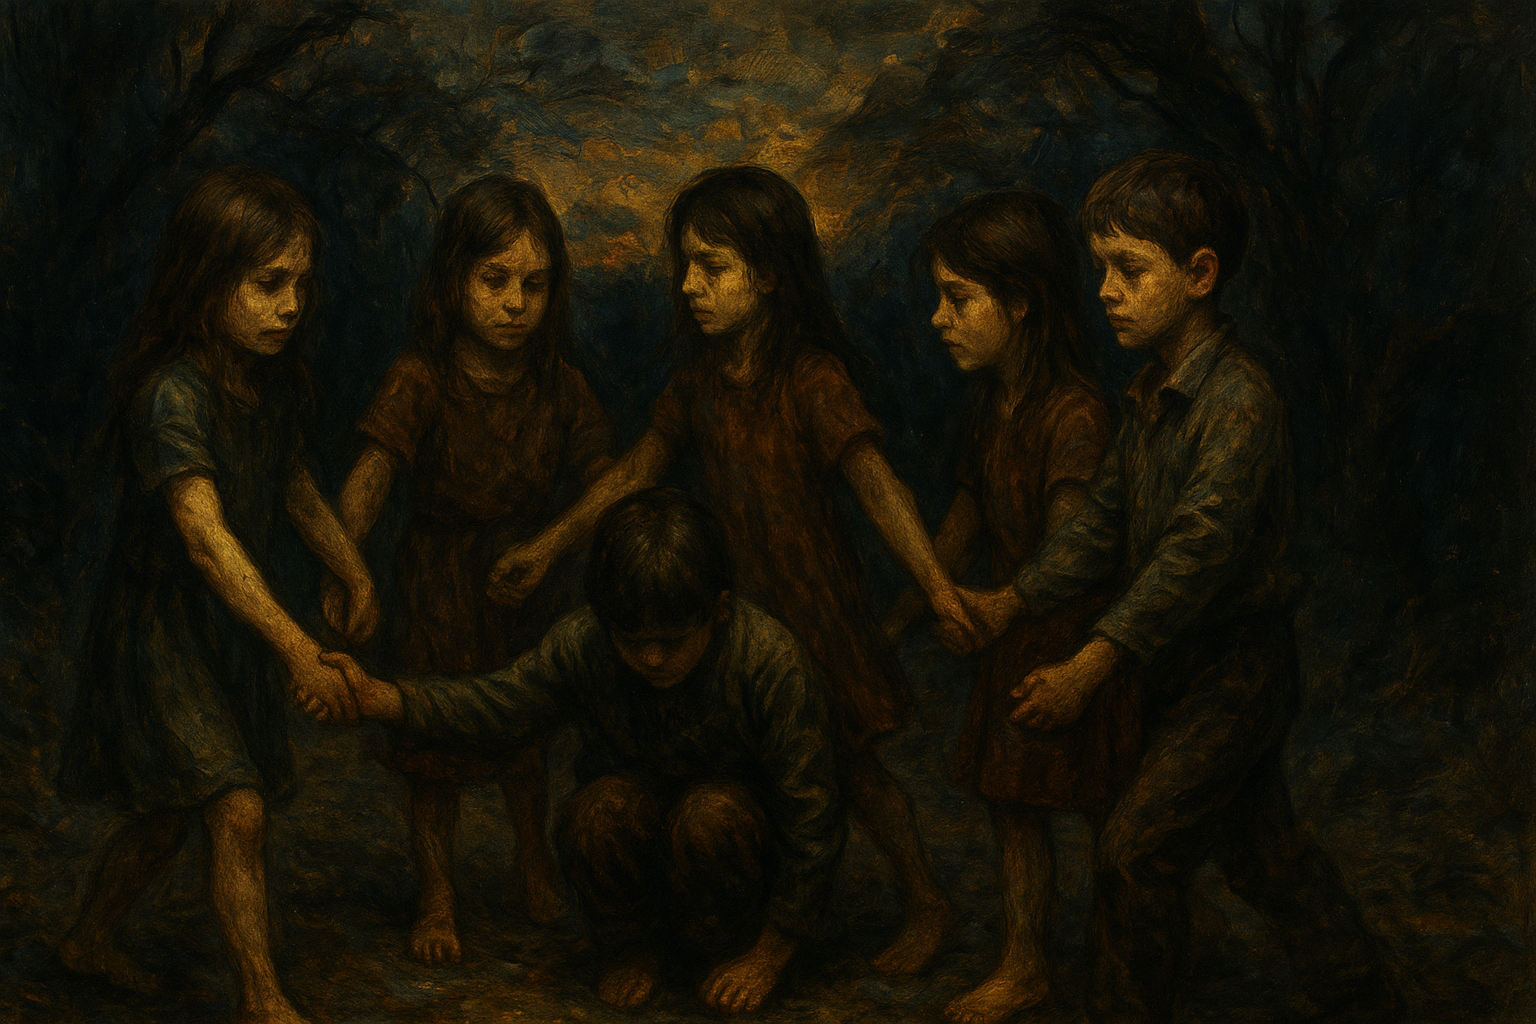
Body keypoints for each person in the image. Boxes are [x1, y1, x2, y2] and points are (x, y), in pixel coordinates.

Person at [486, 165, 976, 974]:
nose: (689, 285)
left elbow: (879, 489)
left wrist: (937, 590)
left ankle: (924, 900)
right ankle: (740, 918)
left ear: (772, 275)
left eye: (711, 267)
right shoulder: (698, 384)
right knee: (737, 773)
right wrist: (547, 547)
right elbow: (635, 471)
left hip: (813, 612)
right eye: (686, 265)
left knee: (852, 769)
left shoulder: (812, 379)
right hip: (729, 614)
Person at [955, 151, 1400, 1023]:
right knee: (1264, 853)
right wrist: (1013, 600)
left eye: (1129, 269)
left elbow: (1193, 555)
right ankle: (1366, 998)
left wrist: (1088, 668)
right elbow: (1102, 526)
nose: (1107, 292)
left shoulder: (1240, 401)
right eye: (1100, 271)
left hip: (1237, 669)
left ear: (1200, 275)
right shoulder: (1150, 395)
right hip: (1172, 666)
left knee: (1132, 848)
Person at [314, 488, 844, 1015]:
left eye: (673, 640)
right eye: (633, 640)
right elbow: (502, 703)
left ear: (719, 611)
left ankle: (727, 949)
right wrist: (384, 698)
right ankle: (638, 947)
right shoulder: (585, 641)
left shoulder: (771, 662)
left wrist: (770, 955)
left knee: (709, 815)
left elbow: (812, 816)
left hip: (734, 852)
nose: (653, 658)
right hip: (642, 830)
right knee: (597, 812)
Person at [55, 166, 372, 1024]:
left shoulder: (267, 386)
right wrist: (298, 646)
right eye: (269, 284)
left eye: (300, 285)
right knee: (234, 806)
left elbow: (296, 485)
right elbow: (203, 535)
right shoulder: (171, 393)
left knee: (169, 810)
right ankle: (265, 1001)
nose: (291, 305)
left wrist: (352, 568)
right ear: (205, 278)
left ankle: (88, 937)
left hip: (227, 631)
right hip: (161, 632)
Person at [324, 175, 612, 961]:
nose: (516, 302)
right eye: (495, 280)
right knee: (431, 749)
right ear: (453, 281)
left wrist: (557, 545)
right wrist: (344, 563)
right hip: (439, 583)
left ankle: (533, 861)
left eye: (535, 285)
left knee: (526, 738)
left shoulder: (562, 385)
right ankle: (439, 895)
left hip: (526, 579)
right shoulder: (421, 376)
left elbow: (607, 482)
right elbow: (374, 471)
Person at [886, 190, 1138, 1024]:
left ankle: (1129, 945)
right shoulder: (995, 403)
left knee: (1106, 810)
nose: (940, 318)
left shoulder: (1073, 413)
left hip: (1068, 647)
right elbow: (964, 516)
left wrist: (996, 609)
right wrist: (915, 606)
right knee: (1015, 810)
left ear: (1021, 303)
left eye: (959, 298)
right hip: (1011, 635)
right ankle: (1025, 961)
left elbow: (1071, 556)